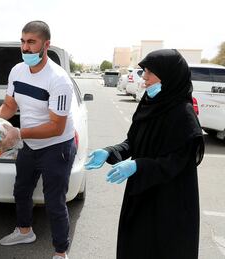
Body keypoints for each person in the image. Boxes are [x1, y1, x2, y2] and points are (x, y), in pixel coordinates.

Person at [84, 49, 205, 259]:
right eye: (144, 71)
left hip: (170, 203)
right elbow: (133, 142)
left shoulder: (184, 115)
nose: (144, 78)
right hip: (141, 195)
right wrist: (109, 152)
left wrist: (139, 166)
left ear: (169, 75)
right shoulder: (149, 104)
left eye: (150, 72)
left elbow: (177, 162)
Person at [0, 21, 77, 259]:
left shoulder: (58, 79)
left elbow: (56, 126)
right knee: (21, 191)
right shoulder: (17, 71)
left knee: (55, 203)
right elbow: (9, 106)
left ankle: (61, 252)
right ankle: (24, 231)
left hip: (56, 147)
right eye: (23, 41)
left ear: (46, 45)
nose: (25, 48)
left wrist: (19, 133)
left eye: (31, 42)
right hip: (30, 145)